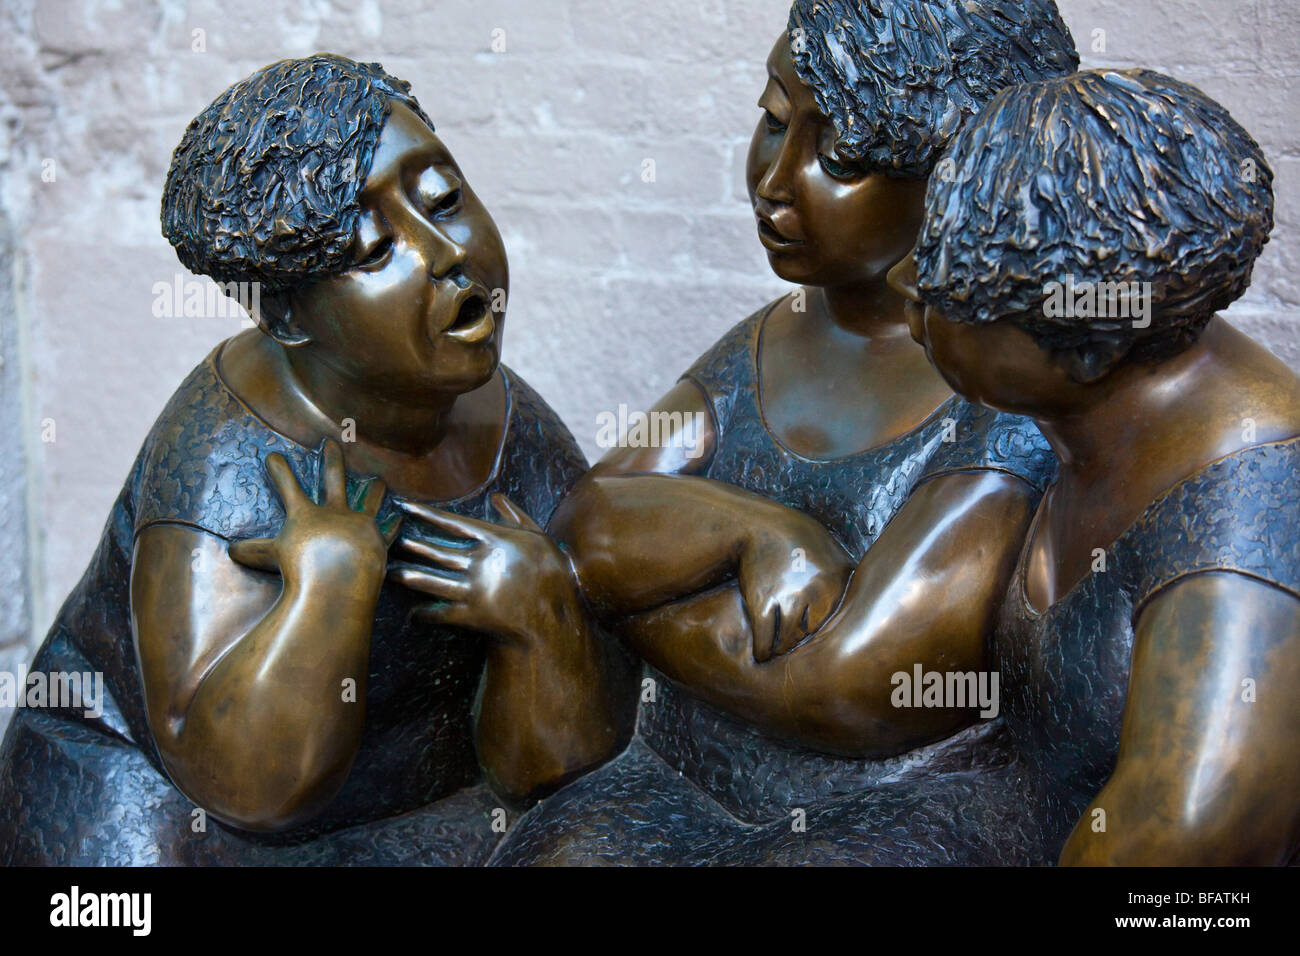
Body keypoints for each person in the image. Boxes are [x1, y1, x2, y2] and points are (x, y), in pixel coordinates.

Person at [0, 54, 632, 865]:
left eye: (443, 197)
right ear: (289, 316)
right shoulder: (224, 462)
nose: (444, 252)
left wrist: (543, 622)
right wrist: (326, 590)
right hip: (167, 816)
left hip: (402, 804)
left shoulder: (503, 416)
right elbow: (241, 783)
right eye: (374, 252)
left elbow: (568, 759)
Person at [490, 0, 1077, 865]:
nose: (774, 179)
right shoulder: (775, 335)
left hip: (902, 800)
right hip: (685, 770)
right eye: (773, 122)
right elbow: (583, 517)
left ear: (962, 175)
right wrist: (752, 531)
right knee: (557, 850)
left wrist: (616, 589)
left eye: (837, 156)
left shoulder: (1002, 388)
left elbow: (853, 682)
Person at [886, 68, 1300, 865]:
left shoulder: (1248, 521)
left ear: (1089, 346)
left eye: (951, 291)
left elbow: (1186, 842)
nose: (909, 291)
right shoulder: (1091, 418)